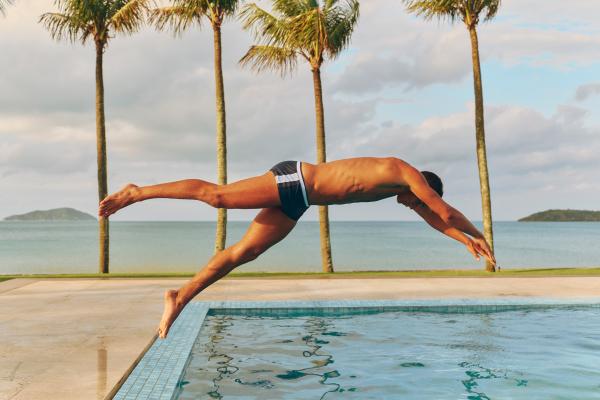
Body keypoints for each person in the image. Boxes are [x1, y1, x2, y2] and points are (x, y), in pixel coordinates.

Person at [98, 157, 496, 338]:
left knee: (245, 253)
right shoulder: (404, 173)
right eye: (416, 202)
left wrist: (465, 241)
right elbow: (441, 210)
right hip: (294, 181)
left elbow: (434, 217)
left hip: (300, 201)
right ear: (422, 188)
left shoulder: (400, 190)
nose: (414, 207)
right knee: (216, 197)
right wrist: (477, 235)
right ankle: (138, 192)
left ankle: (180, 296)